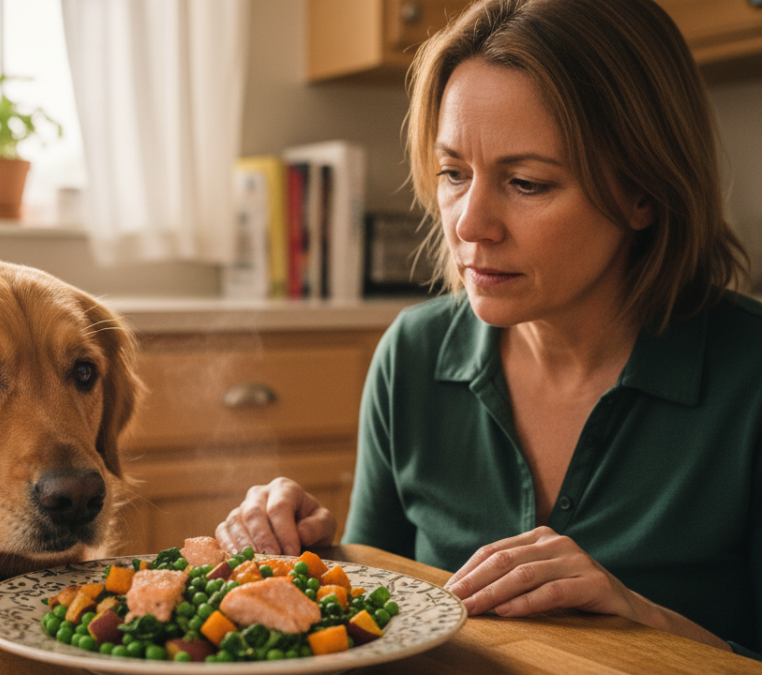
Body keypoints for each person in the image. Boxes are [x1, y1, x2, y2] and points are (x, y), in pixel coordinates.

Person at [214, 0, 762, 659]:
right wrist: (311, 554)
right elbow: (365, 632)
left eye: (526, 182)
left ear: (643, 190)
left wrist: (637, 616)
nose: (470, 223)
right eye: (453, 173)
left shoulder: (748, 375)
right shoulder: (411, 357)